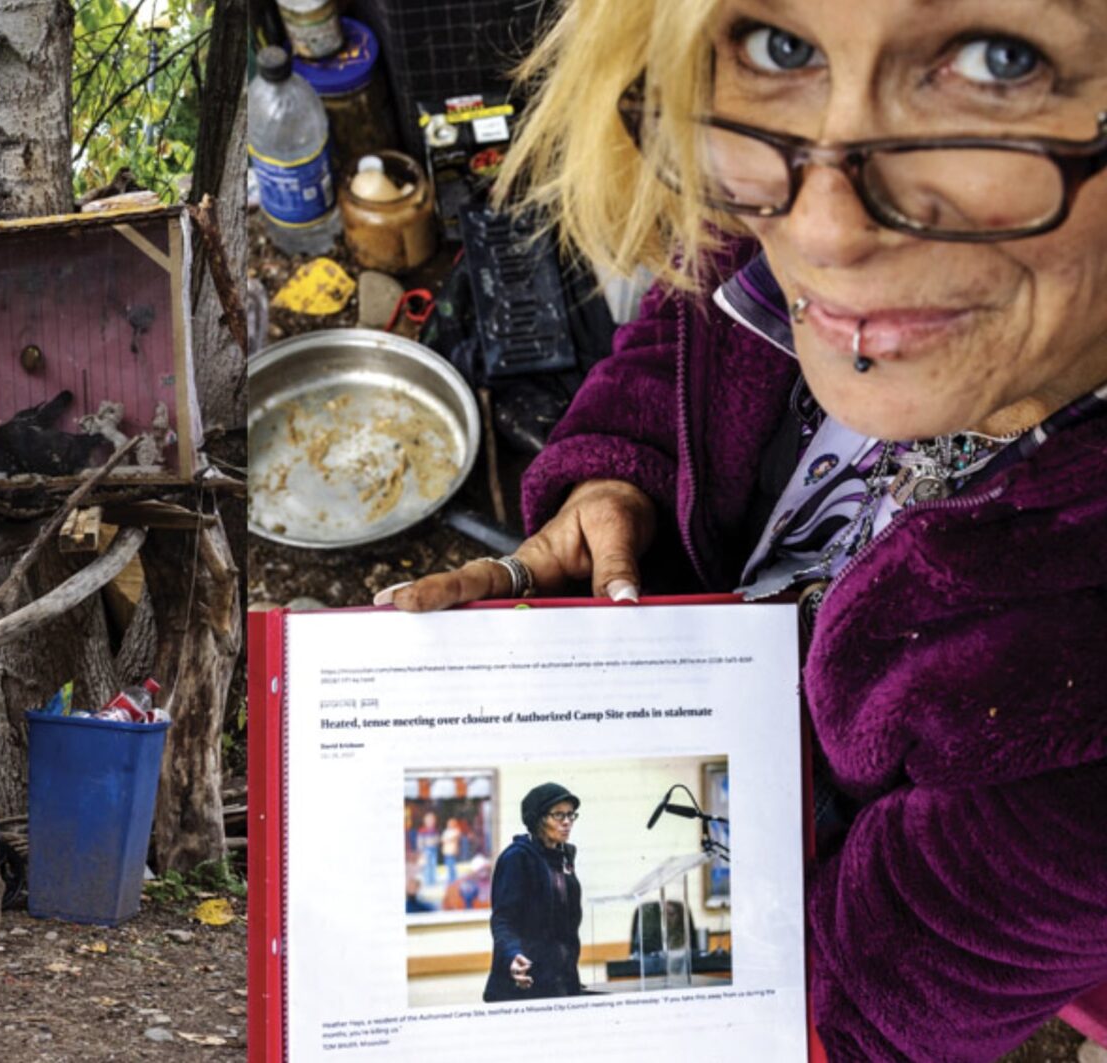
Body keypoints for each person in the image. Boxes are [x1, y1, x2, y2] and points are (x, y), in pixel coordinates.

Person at [381, 0, 1107, 1054]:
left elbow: (853, 1019)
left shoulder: (1072, 708)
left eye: (1000, 62)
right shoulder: (780, 178)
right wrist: (621, 476)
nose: (821, 229)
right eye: (781, 46)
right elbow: (694, 315)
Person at [485, 784, 585, 1003]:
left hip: (562, 981)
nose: (567, 821)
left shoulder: (564, 856)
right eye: (558, 815)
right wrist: (512, 955)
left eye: (570, 815)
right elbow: (503, 919)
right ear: (538, 820)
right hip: (524, 982)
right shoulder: (517, 857)